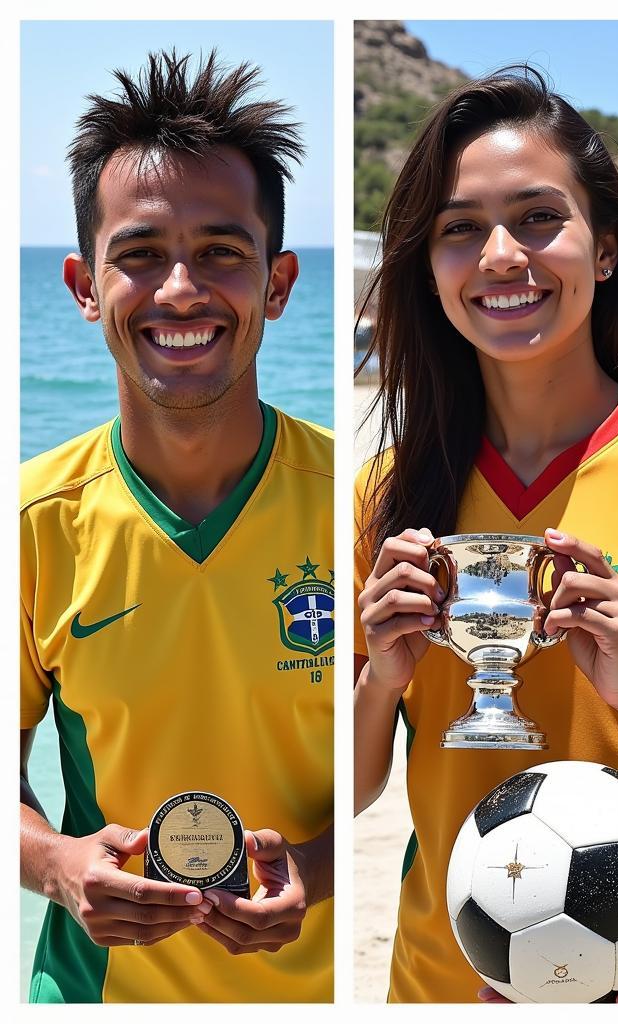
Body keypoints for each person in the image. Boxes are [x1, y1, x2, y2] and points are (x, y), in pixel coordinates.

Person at [20, 51, 334, 1003]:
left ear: (277, 284)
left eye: (222, 252)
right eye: (141, 253)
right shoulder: (33, 523)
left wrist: (312, 876)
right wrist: (59, 866)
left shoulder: (358, 502)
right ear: (84, 284)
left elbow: (404, 761)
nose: (182, 290)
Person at [353, 67, 618, 1004]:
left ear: (606, 251)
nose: (500, 254)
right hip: (433, 977)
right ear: (428, 265)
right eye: (460, 229)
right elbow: (356, 788)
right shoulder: (387, 491)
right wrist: (383, 672)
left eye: (539, 218)